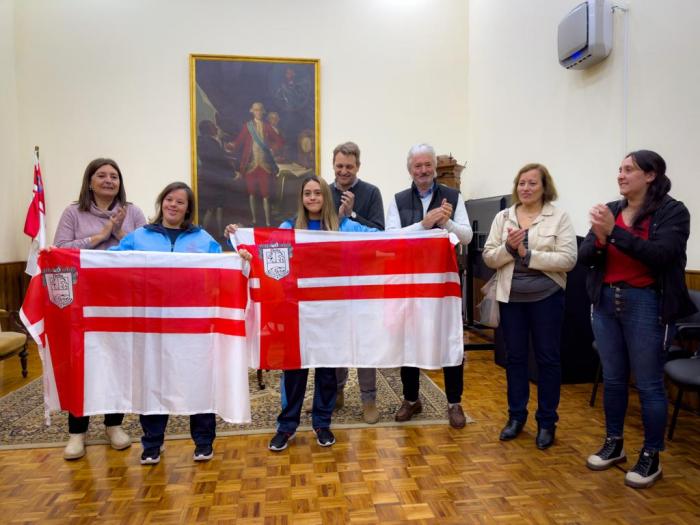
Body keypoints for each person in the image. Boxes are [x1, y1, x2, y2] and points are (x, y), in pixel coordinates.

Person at [226, 175, 377, 451]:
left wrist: (421, 231)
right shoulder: (288, 228)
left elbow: (379, 239)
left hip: (332, 311)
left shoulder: (342, 226)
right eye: (307, 193)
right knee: (294, 370)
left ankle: (322, 423)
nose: (312, 198)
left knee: (327, 370)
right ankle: (286, 427)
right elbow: (262, 250)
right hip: (295, 312)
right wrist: (238, 238)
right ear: (302, 198)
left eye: (317, 193)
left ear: (325, 197)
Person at [579, 150, 696, 489]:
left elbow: (661, 256)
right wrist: (600, 238)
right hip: (605, 302)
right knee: (613, 380)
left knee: (648, 385)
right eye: (619, 169)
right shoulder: (611, 210)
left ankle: (651, 455)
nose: (620, 175)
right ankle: (614, 442)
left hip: (647, 305)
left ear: (651, 175)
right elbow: (587, 257)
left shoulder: (673, 212)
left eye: (628, 169)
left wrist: (612, 233)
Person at [111, 182, 221, 465]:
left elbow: (221, 273)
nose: (173, 205)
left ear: (188, 208)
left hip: (193, 324)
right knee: (153, 381)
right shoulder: (138, 237)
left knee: (199, 380)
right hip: (152, 325)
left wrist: (242, 257)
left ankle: (204, 441)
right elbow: (109, 266)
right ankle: (152, 443)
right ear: (161, 202)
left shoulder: (204, 239)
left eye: (180, 202)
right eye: (169, 199)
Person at [53, 157, 146, 460]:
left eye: (114, 176)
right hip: (83, 300)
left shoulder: (132, 212)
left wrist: (119, 234)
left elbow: (147, 251)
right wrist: (100, 236)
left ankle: (113, 425)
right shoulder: (73, 212)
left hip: (121, 299)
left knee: (117, 362)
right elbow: (61, 250)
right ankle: (77, 431)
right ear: (90, 181)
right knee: (83, 363)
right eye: (102, 176)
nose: (109, 181)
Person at [482, 163, 577, 450]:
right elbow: (488, 257)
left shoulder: (558, 217)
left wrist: (529, 254)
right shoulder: (504, 217)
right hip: (511, 298)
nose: (526, 188)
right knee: (515, 359)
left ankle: (547, 422)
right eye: (522, 183)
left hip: (547, 299)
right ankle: (516, 417)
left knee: (548, 359)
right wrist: (510, 250)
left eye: (532, 183)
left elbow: (568, 259)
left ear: (544, 187)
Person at [385, 143, 472, 429]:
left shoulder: (452, 196)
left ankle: (454, 402)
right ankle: (411, 399)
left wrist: (446, 224)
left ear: (434, 167)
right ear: (409, 170)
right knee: (408, 339)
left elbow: (468, 236)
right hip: (409, 282)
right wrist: (423, 225)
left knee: (449, 337)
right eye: (417, 166)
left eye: (427, 165)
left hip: (443, 281)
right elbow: (391, 239)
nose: (423, 171)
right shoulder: (397, 200)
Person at [329, 141, 385, 424]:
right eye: (339, 166)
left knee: (364, 342)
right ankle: (337, 394)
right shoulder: (324, 192)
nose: (343, 171)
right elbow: (314, 232)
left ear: (358, 167)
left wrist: (351, 215)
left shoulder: (371, 192)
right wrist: (337, 217)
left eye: (349, 167)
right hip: (332, 280)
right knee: (336, 341)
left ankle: (369, 399)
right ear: (333, 165)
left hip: (364, 279)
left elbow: (379, 232)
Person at [228, 101, 284, 226]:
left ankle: (268, 221)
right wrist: (231, 146)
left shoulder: (267, 126)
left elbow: (279, 141)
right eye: (256, 110)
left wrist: (272, 148)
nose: (258, 112)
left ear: (263, 112)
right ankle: (253, 219)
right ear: (252, 111)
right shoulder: (247, 126)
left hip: (265, 166)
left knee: (266, 194)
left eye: (260, 110)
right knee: (251, 193)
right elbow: (239, 141)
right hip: (250, 165)